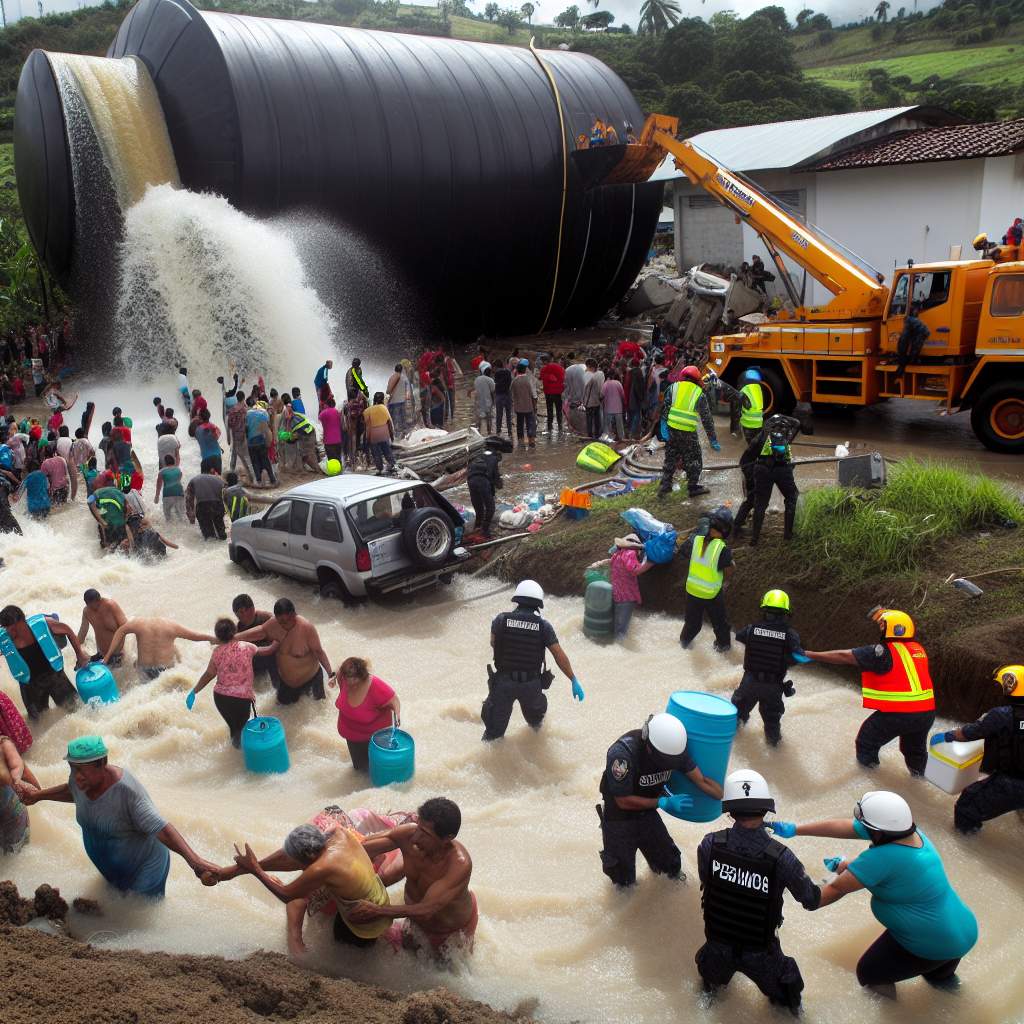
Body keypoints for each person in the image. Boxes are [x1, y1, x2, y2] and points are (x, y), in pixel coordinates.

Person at [770, 791, 977, 1000]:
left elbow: (831, 892)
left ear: (879, 832)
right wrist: (795, 829)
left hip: (929, 940)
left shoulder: (879, 859)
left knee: (870, 973)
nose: (860, 828)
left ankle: (893, 1014)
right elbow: (849, 828)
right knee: (938, 982)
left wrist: (788, 885)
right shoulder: (911, 835)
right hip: (963, 930)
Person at [20, 735, 221, 897]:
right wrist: (38, 796)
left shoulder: (127, 792)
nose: (75, 775)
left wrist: (194, 861)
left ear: (102, 763)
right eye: (72, 767)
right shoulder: (80, 781)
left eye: (80, 769)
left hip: (145, 870)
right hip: (113, 871)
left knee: (138, 922)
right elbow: (71, 791)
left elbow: (162, 829)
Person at [696, 770, 822, 1013]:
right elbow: (810, 899)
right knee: (787, 1001)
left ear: (730, 811)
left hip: (718, 948)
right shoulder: (783, 858)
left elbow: (707, 881)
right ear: (766, 810)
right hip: (761, 956)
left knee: (709, 993)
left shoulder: (709, 844)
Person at [227, 814, 393, 949]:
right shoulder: (339, 833)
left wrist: (256, 870)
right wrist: (251, 866)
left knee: (340, 945)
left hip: (364, 927)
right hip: (381, 900)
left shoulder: (321, 868)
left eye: (296, 861)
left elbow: (287, 894)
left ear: (307, 855)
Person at [804, 607, 934, 776]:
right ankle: (921, 780)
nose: (880, 629)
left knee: (866, 742)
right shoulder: (918, 649)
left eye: (882, 626)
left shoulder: (881, 651)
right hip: (926, 714)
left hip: (899, 713)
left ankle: (871, 781)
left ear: (894, 628)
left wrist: (810, 654)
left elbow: (844, 656)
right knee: (915, 752)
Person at [598, 713, 722, 888]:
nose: (671, 765)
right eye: (666, 762)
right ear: (650, 749)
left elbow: (701, 781)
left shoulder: (674, 749)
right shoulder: (623, 756)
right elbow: (623, 800)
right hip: (618, 820)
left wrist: (721, 795)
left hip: (647, 815)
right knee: (623, 883)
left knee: (670, 868)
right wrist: (661, 802)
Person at [347, 797, 477, 959]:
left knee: (446, 970)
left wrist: (377, 911)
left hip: (450, 932)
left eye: (425, 833)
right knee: (407, 954)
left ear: (447, 838)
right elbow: (362, 848)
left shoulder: (459, 865)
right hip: (415, 922)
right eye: (418, 826)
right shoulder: (409, 833)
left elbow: (427, 909)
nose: (416, 837)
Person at [482, 581, 584, 741]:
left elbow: (493, 643)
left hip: (503, 683)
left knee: (493, 734)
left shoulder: (500, 620)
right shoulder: (543, 626)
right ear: (538, 603)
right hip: (530, 685)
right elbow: (559, 655)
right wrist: (573, 679)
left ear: (517, 599)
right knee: (537, 724)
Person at [936, 664, 1024, 834]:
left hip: (1013, 781)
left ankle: (967, 843)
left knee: (966, 807)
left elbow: (970, 733)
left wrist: (947, 736)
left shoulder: (1002, 715)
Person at [188, 619, 278, 748]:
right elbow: (266, 651)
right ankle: (243, 755)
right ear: (235, 631)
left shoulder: (217, 652)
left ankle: (235, 751)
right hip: (241, 698)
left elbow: (209, 674)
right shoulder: (247, 646)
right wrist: (276, 643)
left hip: (221, 698)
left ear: (217, 635)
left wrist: (194, 691)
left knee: (234, 728)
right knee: (241, 728)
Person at [732, 590, 805, 746]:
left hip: (750, 683)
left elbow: (738, 637)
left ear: (764, 611)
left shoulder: (751, 628)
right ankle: (775, 751)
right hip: (773, 686)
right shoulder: (790, 634)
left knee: (735, 721)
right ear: (785, 613)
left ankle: (732, 747)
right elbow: (799, 658)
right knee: (772, 729)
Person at [235, 598, 333, 705]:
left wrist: (330, 674)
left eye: (287, 621)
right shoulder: (274, 624)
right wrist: (233, 638)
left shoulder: (306, 628)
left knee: (320, 706)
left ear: (294, 614)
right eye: (281, 622)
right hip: (287, 684)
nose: (284, 625)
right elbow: (260, 631)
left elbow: (319, 652)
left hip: (311, 680)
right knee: (281, 709)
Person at [0, 605, 87, 719]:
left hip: (54, 675)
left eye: (13, 629)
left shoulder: (43, 623)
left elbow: (67, 630)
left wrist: (80, 654)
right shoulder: (4, 639)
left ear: (22, 622)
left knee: (76, 710)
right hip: (29, 684)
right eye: (6, 629)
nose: (10, 633)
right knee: (39, 721)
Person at [733, 414, 800, 546]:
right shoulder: (785, 435)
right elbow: (797, 423)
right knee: (792, 497)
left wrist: (750, 475)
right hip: (780, 469)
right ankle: (788, 536)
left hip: (761, 468)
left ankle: (754, 539)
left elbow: (746, 457)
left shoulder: (763, 434)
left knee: (759, 502)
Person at [679, 506, 735, 653]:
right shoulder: (722, 549)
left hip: (692, 590)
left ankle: (682, 647)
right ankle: (724, 653)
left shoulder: (696, 540)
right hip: (711, 594)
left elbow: (683, 552)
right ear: (727, 530)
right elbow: (729, 573)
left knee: (692, 625)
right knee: (721, 626)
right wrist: (732, 562)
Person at [330, 657, 401, 772]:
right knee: (359, 771)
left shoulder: (374, 685)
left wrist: (397, 717)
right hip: (352, 738)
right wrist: (333, 680)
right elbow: (338, 675)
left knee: (376, 771)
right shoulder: (343, 677)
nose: (346, 680)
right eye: (345, 676)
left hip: (374, 739)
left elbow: (394, 700)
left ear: (359, 676)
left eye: (349, 678)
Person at [658, 366, 718, 499]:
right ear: (697, 379)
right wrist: (712, 439)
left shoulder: (673, 388)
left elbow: (665, 408)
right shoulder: (699, 393)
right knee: (694, 459)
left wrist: (663, 425)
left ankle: (665, 485)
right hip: (688, 432)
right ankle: (693, 486)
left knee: (671, 457)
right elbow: (706, 419)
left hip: (672, 429)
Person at [102, 616, 217, 680]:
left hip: (145, 670)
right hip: (165, 670)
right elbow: (196, 636)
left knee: (136, 666)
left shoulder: (138, 623)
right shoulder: (172, 626)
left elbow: (120, 631)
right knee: (174, 650)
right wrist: (213, 639)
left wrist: (107, 657)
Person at [607, 532, 653, 639]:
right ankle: (619, 646)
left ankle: (611, 643)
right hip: (626, 596)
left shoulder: (617, 554)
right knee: (621, 629)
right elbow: (635, 570)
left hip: (616, 593)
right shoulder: (630, 554)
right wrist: (650, 563)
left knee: (617, 623)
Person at [1, 729, 39, 853]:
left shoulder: (3, 743)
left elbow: (17, 765)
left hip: (12, 814)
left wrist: (16, 779)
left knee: (14, 856)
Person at [232, 594, 278, 685]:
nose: (239, 616)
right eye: (236, 613)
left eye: (242, 612)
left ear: (252, 609)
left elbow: (279, 638)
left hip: (272, 655)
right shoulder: (238, 628)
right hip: (255, 659)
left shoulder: (266, 618)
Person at [77, 589, 127, 665]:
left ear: (99, 599)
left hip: (118, 654)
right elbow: (83, 631)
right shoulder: (86, 611)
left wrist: (112, 653)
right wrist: (77, 649)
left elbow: (125, 627)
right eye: (89, 606)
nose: (92, 609)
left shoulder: (111, 605)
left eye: (94, 606)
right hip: (101, 654)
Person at [466, 446, 502, 539]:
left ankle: (477, 525)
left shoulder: (477, 456)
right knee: (491, 507)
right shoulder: (494, 459)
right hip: (482, 480)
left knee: (478, 505)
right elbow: (493, 478)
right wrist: (493, 493)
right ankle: (485, 530)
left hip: (470, 480)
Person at [186, 463, 227, 540]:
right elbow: (226, 494)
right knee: (221, 532)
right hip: (218, 505)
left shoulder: (194, 480)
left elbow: (189, 499)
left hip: (202, 506)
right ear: (211, 470)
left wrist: (191, 515)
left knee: (208, 536)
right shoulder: (220, 480)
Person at [245, 398, 276, 486]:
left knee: (255, 462)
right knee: (266, 461)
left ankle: (258, 481)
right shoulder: (263, 413)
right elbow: (266, 429)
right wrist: (269, 442)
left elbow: (246, 428)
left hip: (251, 441)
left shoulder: (247, 414)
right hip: (261, 440)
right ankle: (272, 479)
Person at [364, 393, 396, 475]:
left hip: (374, 434)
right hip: (384, 433)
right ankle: (391, 464)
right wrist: (392, 434)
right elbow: (390, 423)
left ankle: (380, 468)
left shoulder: (367, 411)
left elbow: (368, 427)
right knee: (386, 449)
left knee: (376, 452)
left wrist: (367, 439)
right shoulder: (384, 408)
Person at [894, 303, 930, 378]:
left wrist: (901, 361)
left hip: (916, 337)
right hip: (918, 336)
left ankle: (910, 361)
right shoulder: (913, 322)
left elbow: (903, 343)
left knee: (907, 341)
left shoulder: (909, 322)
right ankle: (912, 359)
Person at [88, 484, 129, 548]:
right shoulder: (120, 494)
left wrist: (101, 522)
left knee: (109, 544)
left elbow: (90, 502)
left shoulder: (97, 494)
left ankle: (108, 546)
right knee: (120, 541)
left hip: (113, 520)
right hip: (117, 520)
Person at [510, 362, 537, 448]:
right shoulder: (528, 380)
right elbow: (533, 394)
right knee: (530, 422)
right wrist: (535, 404)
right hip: (528, 406)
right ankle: (531, 437)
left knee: (520, 423)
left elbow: (511, 393)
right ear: (525, 370)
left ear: (517, 370)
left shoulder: (514, 381)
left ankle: (520, 440)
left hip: (518, 407)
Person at [538, 356, 564, 433]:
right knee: (559, 410)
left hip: (548, 392)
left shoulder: (544, 369)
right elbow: (563, 379)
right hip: (558, 392)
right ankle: (560, 426)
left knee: (549, 410)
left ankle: (549, 426)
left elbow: (542, 379)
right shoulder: (559, 368)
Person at [154, 454, 185, 519]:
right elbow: (179, 478)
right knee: (181, 513)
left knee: (168, 514)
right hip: (179, 492)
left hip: (168, 493)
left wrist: (157, 497)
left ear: (165, 462)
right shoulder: (178, 470)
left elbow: (159, 485)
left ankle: (169, 525)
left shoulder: (162, 472)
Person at [194, 408, 223, 474]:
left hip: (205, 457)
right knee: (217, 478)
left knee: (205, 479)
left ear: (200, 418)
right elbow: (217, 436)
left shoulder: (198, 429)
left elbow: (196, 437)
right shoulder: (213, 427)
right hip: (217, 455)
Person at [582, 358, 605, 439]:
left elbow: (584, 390)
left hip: (589, 402)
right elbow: (600, 389)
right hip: (597, 401)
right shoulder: (600, 374)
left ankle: (590, 436)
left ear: (589, 366)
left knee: (589, 421)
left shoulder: (587, 375)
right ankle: (597, 435)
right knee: (597, 420)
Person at [319, 396, 343, 465]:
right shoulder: (338, 412)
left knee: (331, 459)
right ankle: (339, 469)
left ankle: (333, 469)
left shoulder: (324, 413)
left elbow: (319, 418)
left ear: (327, 404)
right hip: (338, 439)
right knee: (338, 458)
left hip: (328, 440)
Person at [472, 365, 495, 435]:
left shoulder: (477, 379)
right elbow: (493, 389)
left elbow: (475, 389)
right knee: (488, 416)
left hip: (479, 399)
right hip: (487, 399)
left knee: (479, 416)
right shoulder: (490, 380)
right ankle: (489, 431)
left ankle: (478, 430)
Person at [493, 360, 513, 439]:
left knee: (499, 414)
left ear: (496, 366)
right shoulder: (508, 372)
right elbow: (510, 382)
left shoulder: (497, 373)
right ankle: (510, 431)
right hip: (507, 395)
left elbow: (495, 383)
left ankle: (498, 431)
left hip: (499, 395)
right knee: (508, 414)